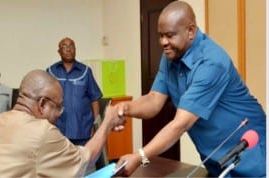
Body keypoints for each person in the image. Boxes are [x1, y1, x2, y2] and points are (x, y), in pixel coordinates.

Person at [114, 1, 266, 177]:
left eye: (170, 35)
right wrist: (125, 109)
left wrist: (139, 156)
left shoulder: (211, 62)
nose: (163, 42)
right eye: (160, 35)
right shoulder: (171, 55)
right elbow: (154, 99)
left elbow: (181, 124)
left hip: (253, 158)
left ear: (191, 31)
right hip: (217, 162)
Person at [0, 69, 125, 177]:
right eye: (58, 108)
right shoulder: (42, 132)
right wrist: (108, 122)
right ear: (42, 104)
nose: (59, 115)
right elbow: (87, 158)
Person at [46, 37, 102, 146]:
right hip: (58, 129)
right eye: (64, 46)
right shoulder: (51, 71)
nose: (68, 49)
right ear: (59, 51)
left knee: (83, 161)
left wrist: (95, 125)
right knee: (61, 161)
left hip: (82, 128)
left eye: (71, 46)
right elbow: (45, 99)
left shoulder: (85, 71)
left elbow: (94, 99)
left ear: (75, 49)